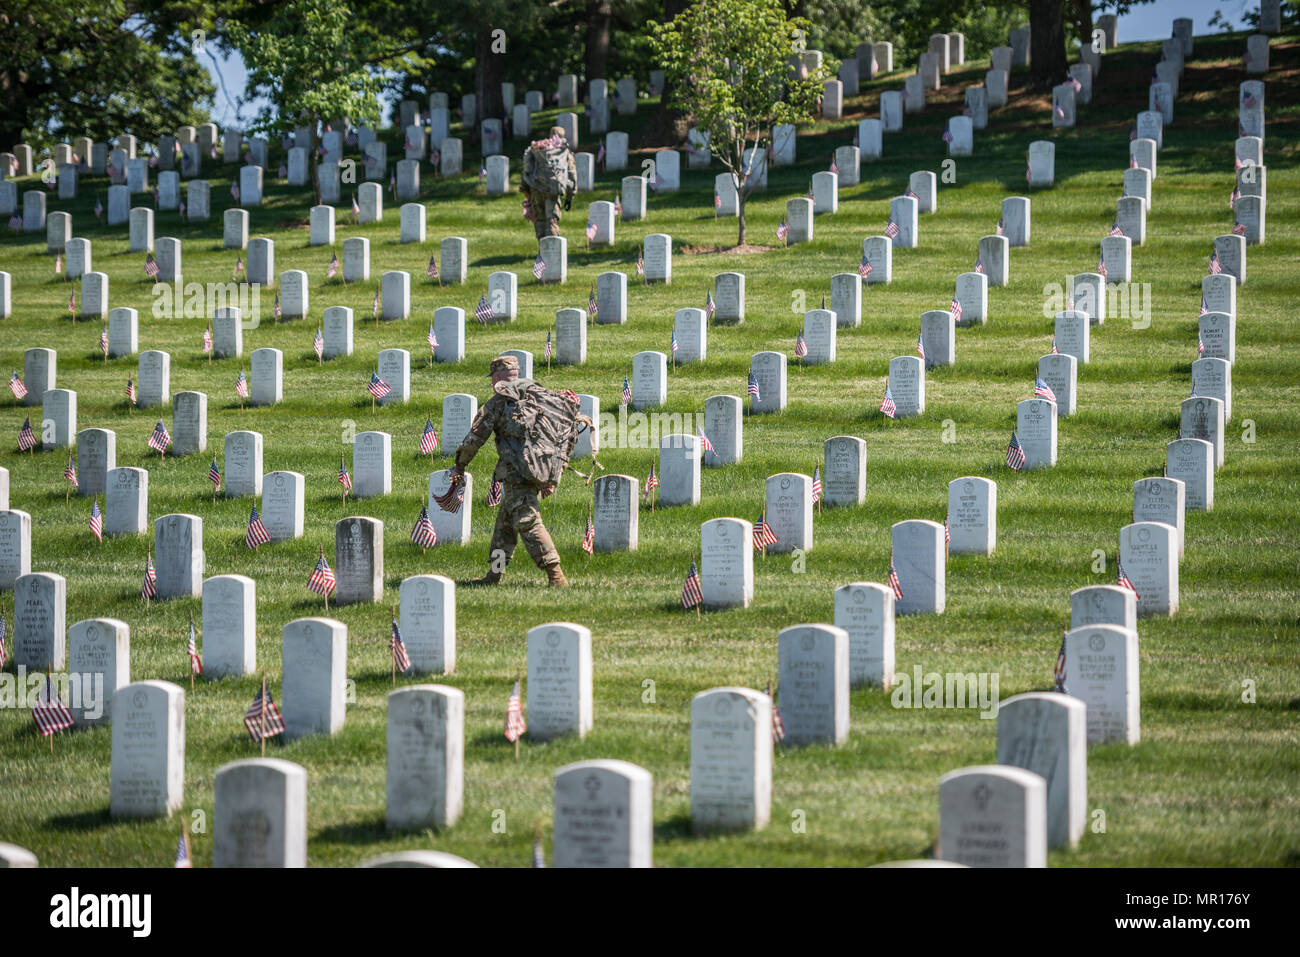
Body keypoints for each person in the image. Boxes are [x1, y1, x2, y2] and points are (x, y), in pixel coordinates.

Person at [452, 355, 569, 586]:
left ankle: (556, 575)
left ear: (497, 377)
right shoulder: (537, 395)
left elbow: (475, 438)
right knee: (504, 527)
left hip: (517, 473)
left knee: (528, 520)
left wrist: (460, 465)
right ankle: (494, 575)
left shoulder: (499, 402)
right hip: (539, 468)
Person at [521, 126, 577, 242]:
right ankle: (553, 249)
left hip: (536, 188)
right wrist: (570, 196)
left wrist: (526, 189)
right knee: (551, 219)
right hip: (553, 189)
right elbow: (571, 174)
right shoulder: (564, 152)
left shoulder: (538, 148)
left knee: (540, 219)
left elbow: (527, 168)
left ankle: (543, 247)